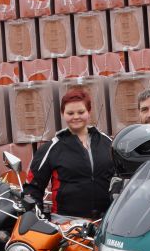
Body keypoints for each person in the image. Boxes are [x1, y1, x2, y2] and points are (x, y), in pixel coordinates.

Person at [24, 88, 114, 219]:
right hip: (66, 223)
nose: (76, 117)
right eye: (70, 113)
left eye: (81, 112)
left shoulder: (107, 143)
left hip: (107, 220)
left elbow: (121, 179)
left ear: (89, 112)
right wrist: (35, 215)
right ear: (63, 114)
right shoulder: (51, 148)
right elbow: (33, 188)